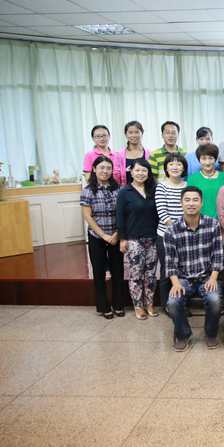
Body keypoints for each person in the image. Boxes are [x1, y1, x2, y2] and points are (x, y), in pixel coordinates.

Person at [165, 186, 224, 351]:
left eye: (195, 200)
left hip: (207, 277)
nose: (191, 203)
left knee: (214, 300)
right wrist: (176, 283)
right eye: (187, 200)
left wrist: (213, 278)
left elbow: (218, 255)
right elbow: (170, 261)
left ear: (202, 203)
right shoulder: (171, 230)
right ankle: (183, 334)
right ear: (181, 203)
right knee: (173, 302)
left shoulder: (213, 225)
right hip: (183, 279)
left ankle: (211, 333)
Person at [80, 156, 125, 319]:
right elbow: (87, 216)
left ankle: (118, 305)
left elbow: (123, 213)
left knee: (118, 272)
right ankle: (104, 306)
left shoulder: (119, 189)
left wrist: (116, 234)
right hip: (96, 236)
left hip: (116, 236)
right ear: (94, 169)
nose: (105, 171)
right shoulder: (88, 190)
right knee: (99, 273)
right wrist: (103, 235)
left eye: (108, 168)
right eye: (101, 168)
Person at [117, 159, 159, 320]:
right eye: (137, 170)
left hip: (153, 238)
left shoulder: (154, 190)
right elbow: (120, 216)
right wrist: (122, 239)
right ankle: (138, 306)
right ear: (131, 172)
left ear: (148, 173)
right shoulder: (125, 191)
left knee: (151, 274)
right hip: (133, 238)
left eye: (144, 170)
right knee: (136, 273)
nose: (141, 173)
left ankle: (149, 303)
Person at [154, 153, 187, 312]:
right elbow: (162, 213)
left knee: (183, 271)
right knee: (167, 270)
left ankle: (180, 303)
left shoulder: (187, 186)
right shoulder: (161, 187)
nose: (175, 167)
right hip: (165, 236)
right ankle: (167, 305)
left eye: (179, 164)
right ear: (166, 168)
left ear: (183, 168)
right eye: (171, 164)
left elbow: (190, 210)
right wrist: (177, 231)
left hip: (186, 236)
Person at [186, 144, 224, 219]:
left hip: (223, 220)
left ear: (215, 159)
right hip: (200, 221)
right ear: (199, 160)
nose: (207, 162)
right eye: (203, 159)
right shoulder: (192, 179)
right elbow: (190, 202)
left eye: (211, 158)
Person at [117, 121, 150, 186]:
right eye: (130, 132)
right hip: (125, 190)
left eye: (137, 132)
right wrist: (125, 172)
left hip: (145, 189)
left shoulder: (149, 154)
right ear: (125, 134)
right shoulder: (119, 155)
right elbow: (115, 176)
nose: (134, 135)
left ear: (142, 133)